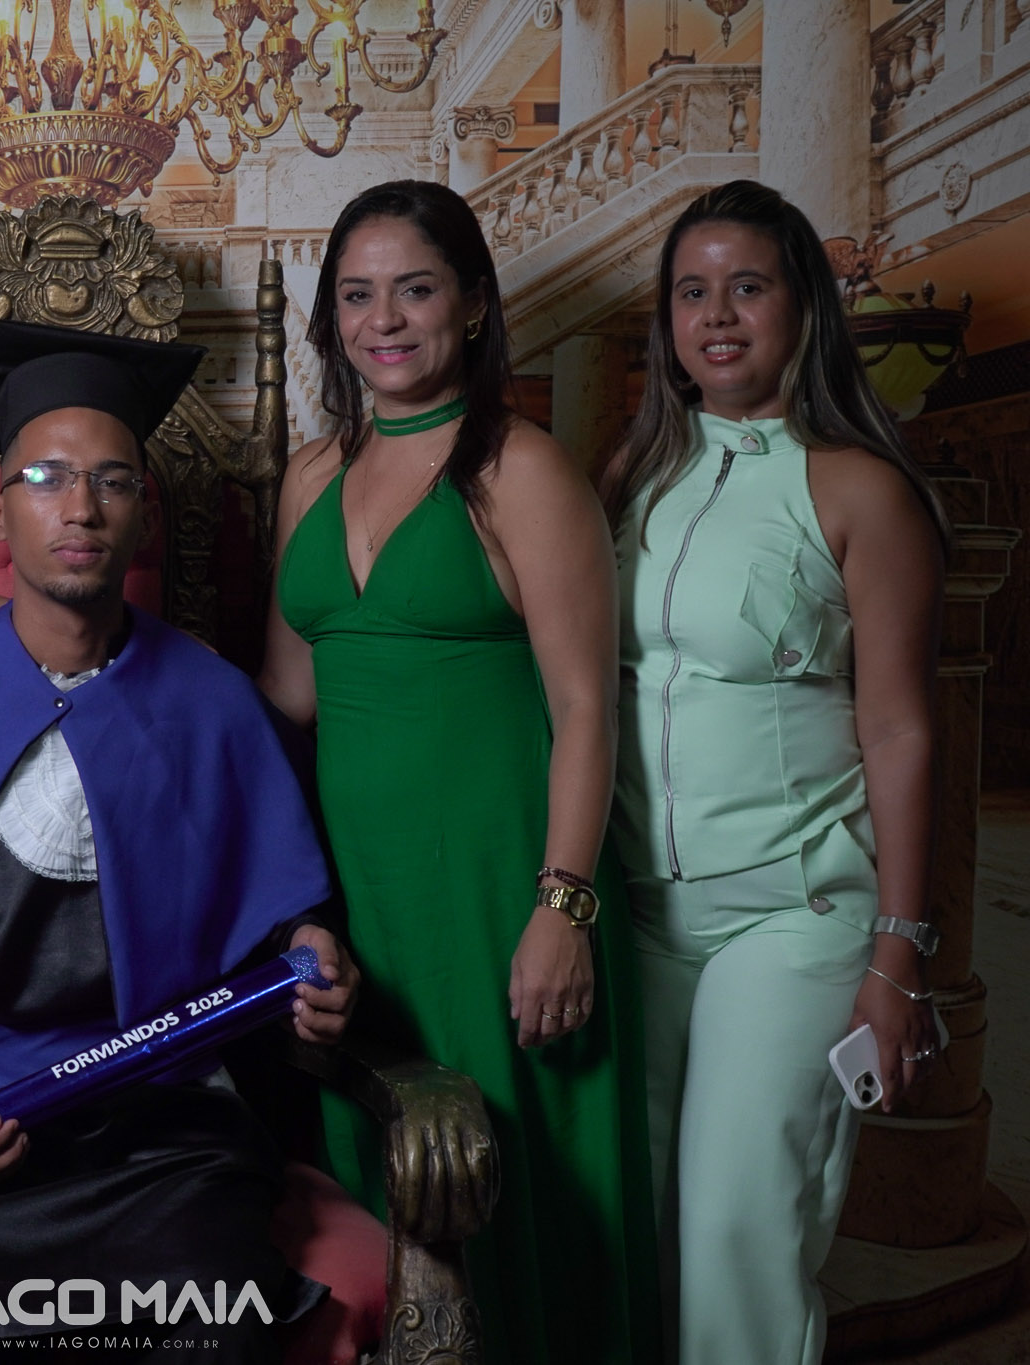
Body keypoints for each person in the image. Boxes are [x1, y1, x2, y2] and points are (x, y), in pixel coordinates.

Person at [0, 319, 360, 1364]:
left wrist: (309, 956)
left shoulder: (216, 708)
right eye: (45, 477)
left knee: (208, 1326)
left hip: (171, 1137)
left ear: (143, 514)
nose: (79, 507)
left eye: (112, 480)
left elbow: (279, 917)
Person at [260, 180, 660, 1363]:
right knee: (378, 1174)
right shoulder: (308, 474)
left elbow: (583, 707)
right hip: (356, 893)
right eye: (355, 295)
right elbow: (285, 696)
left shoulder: (520, 468)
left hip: (496, 885)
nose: (382, 320)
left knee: (515, 1186)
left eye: (414, 289)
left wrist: (561, 908)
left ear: (473, 304)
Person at [601, 180, 947, 1365]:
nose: (715, 316)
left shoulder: (857, 488)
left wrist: (897, 954)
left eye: (745, 287)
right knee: (639, 1225)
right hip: (640, 914)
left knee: (734, 1235)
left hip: (790, 916)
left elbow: (897, 730)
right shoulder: (630, 476)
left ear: (800, 307)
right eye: (689, 292)